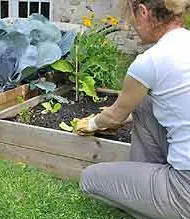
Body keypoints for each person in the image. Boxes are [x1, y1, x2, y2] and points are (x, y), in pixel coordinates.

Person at [75, 0, 190, 219]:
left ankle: (158, 202)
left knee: (89, 179)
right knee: (145, 105)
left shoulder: (150, 62)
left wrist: (91, 124)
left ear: (143, 12)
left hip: (185, 189)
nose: (130, 27)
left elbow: (116, 114)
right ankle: (147, 186)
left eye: (132, 18)